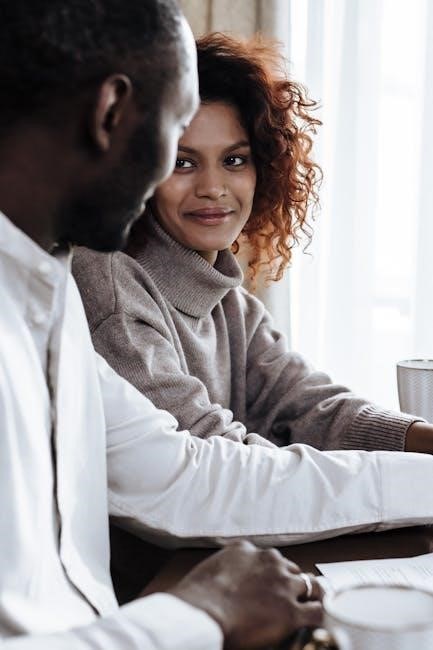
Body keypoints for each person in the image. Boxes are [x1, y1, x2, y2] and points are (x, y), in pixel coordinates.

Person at [2, 4, 433, 649]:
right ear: (111, 113)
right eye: (176, 142)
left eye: (234, 159)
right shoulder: (90, 281)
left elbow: (186, 476)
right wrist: (199, 614)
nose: (201, 185)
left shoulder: (47, 292)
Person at [73, 32, 433, 457]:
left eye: (234, 160)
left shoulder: (230, 304)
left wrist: (423, 439)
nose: (213, 187)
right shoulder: (111, 286)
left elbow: (310, 407)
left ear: (263, 168)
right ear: (138, 169)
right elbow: (208, 457)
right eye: (182, 162)